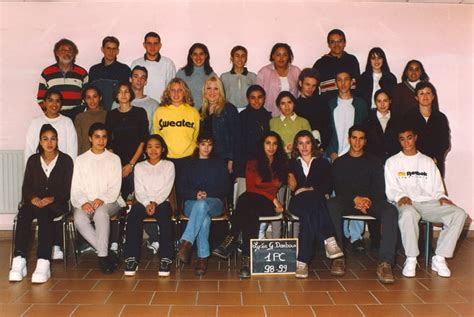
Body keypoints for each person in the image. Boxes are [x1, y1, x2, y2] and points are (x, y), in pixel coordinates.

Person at [385, 127, 467, 278]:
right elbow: (391, 188)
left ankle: (440, 257)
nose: (406, 142)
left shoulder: (427, 161)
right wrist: (400, 196)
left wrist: (441, 196)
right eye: (402, 139)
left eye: (409, 137)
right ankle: (411, 259)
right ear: (399, 141)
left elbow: (437, 187)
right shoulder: (392, 162)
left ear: (415, 137)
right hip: (407, 203)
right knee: (408, 213)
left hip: (429, 203)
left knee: (459, 214)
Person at [327, 125, 398, 284]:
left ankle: (385, 263)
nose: (357, 142)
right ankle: (338, 258)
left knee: (391, 211)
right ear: (349, 139)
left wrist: (368, 200)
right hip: (348, 200)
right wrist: (355, 199)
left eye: (361, 139)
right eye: (354, 138)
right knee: (331, 205)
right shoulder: (339, 163)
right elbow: (338, 187)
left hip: (370, 201)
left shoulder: (374, 162)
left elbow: (380, 188)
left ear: (365, 141)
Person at [213, 131, 288, 278]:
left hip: (267, 205)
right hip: (256, 201)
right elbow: (252, 186)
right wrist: (274, 198)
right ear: (262, 145)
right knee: (250, 209)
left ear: (278, 146)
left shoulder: (282, 164)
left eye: (274, 144)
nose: (271, 147)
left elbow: (275, 184)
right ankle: (246, 260)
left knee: (245, 201)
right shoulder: (253, 163)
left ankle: (230, 239)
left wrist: (271, 198)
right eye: (268, 143)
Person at [9, 124, 73, 284]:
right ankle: (19, 260)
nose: (49, 143)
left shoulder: (66, 160)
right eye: (45, 139)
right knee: (24, 215)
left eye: (53, 139)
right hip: (34, 202)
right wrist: (32, 198)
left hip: (56, 203)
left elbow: (67, 188)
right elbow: (26, 187)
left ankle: (43, 261)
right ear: (40, 141)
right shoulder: (33, 160)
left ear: (58, 141)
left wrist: (51, 198)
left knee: (45, 214)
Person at [287, 130, 343, 279]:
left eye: (307, 142)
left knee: (308, 215)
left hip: (315, 200)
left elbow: (329, 184)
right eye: (300, 143)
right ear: (296, 146)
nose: (304, 147)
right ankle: (329, 238)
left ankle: (302, 262)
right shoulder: (291, 163)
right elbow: (280, 174)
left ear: (313, 144)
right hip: (297, 202)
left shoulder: (322, 162)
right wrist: (289, 174)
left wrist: (309, 188)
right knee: (313, 201)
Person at [71, 123, 122, 274]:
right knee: (79, 219)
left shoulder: (114, 159)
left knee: (100, 213)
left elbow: (115, 187)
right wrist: (83, 202)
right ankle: (106, 254)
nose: (101, 141)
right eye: (97, 137)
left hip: (110, 201)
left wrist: (102, 199)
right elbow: (76, 187)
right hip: (86, 201)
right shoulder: (80, 160)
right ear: (90, 138)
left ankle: (102, 257)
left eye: (104, 137)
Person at [123, 135, 175, 277]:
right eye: (149, 147)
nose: (153, 150)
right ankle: (131, 258)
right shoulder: (139, 166)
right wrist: (147, 203)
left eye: (157, 147)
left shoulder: (169, 165)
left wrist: (155, 203)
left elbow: (166, 189)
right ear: (145, 150)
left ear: (163, 149)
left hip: (161, 202)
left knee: (165, 220)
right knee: (133, 218)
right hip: (142, 202)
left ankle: (165, 258)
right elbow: (139, 190)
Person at [177, 133, 228, 275]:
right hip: (191, 202)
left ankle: (186, 243)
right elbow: (181, 189)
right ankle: (202, 258)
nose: (206, 148)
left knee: (203, 205)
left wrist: (207, 194)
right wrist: (195, 194)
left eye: (210, 144)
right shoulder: (188, 164)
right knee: (203, 218)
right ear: (198, 145)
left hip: (214, 202)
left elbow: (225, 188)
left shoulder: (219, 163)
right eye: (203, 144)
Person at [105, 82, 149, 202]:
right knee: (119, 200)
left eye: (126, 91)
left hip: (136, 162)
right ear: (116, 95)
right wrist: (117, 165)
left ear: (131, 94)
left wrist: (131, 164)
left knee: (137, 199)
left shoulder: (140, 112)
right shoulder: (111, 115)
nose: (123, 94)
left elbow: (143, 140)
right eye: (120, 92)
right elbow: (109, 142)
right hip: (117, 163)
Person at [152, 78, 200, 176]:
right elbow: (157, 135)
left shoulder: (193, 112)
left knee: (186, 190)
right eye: (173, 90)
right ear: (168, 93)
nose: (176, 94)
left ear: (185, 92)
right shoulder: (160, 111)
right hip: (167, 158)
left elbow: (196, 136)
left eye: (180, 90)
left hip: (189, 158)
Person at [403, 82, 450, 176]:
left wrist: (436, 158)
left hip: (435, 163)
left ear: (433, 96)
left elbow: (444, 142)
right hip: (414, 164)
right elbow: (406, 140)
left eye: (428, 93)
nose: (425, 96)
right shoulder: (408, 117)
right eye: (421, 93)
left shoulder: (440, 118)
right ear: (416, 97)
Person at [234, 85, 271, 199]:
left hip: (263, 164)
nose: (256, 101)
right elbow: (238, 143)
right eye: (252, 98)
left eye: (259, 97)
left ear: (264, 98)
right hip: (245, 164)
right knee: (244, 199)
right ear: (247, 99)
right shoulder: (241, 117)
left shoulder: (269, 117)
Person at [37, 38, 88, 120]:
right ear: (57, 53)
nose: (67, 52)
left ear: (74, 53)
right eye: (63, 50)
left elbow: (87, 97)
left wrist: (80, 113)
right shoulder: (47, 72)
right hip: (54, 115)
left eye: (70, 50)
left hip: (76, 116)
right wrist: (50, 114)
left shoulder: (82, 73)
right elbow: (40, 98)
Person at [25, 88, 78, 166]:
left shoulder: (67, 122)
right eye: (50, 100)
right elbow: (29, 150)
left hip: (62, 169)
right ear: (44, 103)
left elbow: (72, 151)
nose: (54, 104)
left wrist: (69, 172)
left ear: (61, 104)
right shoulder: (35, 122)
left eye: (57, 101)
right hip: (39, 169)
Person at [200, 75, 239, 174]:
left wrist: (231, 160)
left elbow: (235, 137)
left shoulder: (229, 109)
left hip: (224, 159)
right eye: (209, 88)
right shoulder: (201, 112)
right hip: (206, 158)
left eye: (216, 89)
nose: (212, 92)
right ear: (205, 91)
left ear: (220, 91)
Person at [327, 70, 368, 161]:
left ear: (351, 82)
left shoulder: (361, 104)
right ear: (335, 83)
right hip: (334, 156)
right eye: (339, 80)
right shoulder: (330, 105)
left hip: (355, 155)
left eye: (346, 79)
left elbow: (365, 131)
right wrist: (331, 153)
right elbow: (326, 132)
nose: (343, 83)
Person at [313, 29, 360, 102]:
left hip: (350, 105)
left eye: (339, 41)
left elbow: (358, 85)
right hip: (327, 107)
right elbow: (314, 88)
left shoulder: (352, 60)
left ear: (344, 43)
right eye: (332, 42)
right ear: (328, 44)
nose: (336, 45)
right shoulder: (320, 63)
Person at [257, 43, 301, 116]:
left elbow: (300, 94)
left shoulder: (296, 71)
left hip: (292, 114)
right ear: (273, 56)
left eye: (284, 55)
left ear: (288, 57)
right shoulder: (264, 72)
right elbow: (259, 94)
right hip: (270, 114)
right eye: (278, 55)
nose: (281, 58)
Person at [131, 32, 176, 102]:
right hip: (139, 106)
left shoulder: (168, 64)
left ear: (160, 45)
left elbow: (171, 88)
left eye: (155, 43)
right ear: (144, 45)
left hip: (162, 107)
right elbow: (132, 87)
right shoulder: (136, 63)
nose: (152, 47)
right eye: (149, 43)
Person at [89, 36, 131, 110]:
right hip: (98, 113)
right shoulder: (94, 70)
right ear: (102, 49)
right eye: (108, 48)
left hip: (117, 112)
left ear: (118, 51)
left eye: (114, 49)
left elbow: (128, 94)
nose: (111, 52)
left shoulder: (124, 70)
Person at [294, 68, 330, 150]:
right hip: (300, 149)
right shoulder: (294, 105)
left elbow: (327, 128)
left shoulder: (322, 103)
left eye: (313, 86)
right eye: (307, 84)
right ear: (300, 83)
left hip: (319, 149)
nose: (310, 89)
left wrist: (322, 148)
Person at [364, 89, 401, 164]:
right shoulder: (367, 121)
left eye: (385, 101)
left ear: (390, 101)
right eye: (379, 101)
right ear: (375, 102)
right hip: (373, 163)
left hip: (394, 162)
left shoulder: (398, 120)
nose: (382, 104)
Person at [270, 91, 311, 156]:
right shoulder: (272, 122)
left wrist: (294, 147)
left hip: (299, 158)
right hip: (278, 159)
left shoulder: (303, 122)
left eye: (289, 102)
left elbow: (309, 144)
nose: (287, 106)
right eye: (283, 103)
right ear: (278, 106)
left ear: (294, 104)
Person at [176, 43, 216, 110]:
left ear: (206, 55)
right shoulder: (181, 73)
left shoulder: (212, 75)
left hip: (205, 114)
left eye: (201, 54)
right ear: (191, 56)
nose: (198, 57)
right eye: (195, 54)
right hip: (185, 113)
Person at [220, 45, 257, 111]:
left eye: (243, 56)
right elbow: (221, 97)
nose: (240, 59)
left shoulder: (253, 76)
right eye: (237, 56)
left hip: (248, 111)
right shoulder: (224, 77)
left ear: (246, 59)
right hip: (229, 112)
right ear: (232, 58)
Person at [74, 85, 107, 155]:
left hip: (104, 157)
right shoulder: (80, 118)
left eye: (95, 97)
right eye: (88, 97)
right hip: (85, 158)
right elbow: (78, 143)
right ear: (85, 100)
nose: (92, 100)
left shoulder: (107, 115)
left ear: (100, 97)